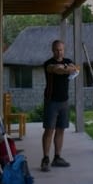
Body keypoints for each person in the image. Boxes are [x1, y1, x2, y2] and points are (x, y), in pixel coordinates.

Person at [41, 39, 79, 171]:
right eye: (57, 50)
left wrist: (68, 68)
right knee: (49, 130)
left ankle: (57, 157)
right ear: (53, 50)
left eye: (61, 50)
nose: (59, 52)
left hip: (64, 101)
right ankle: (45, 158)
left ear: (64, 50)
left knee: (61, 129)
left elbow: (76, 69)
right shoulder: (48, 64)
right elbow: (57, 70)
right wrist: (67, 69)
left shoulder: (68, 60)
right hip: (51, 100)